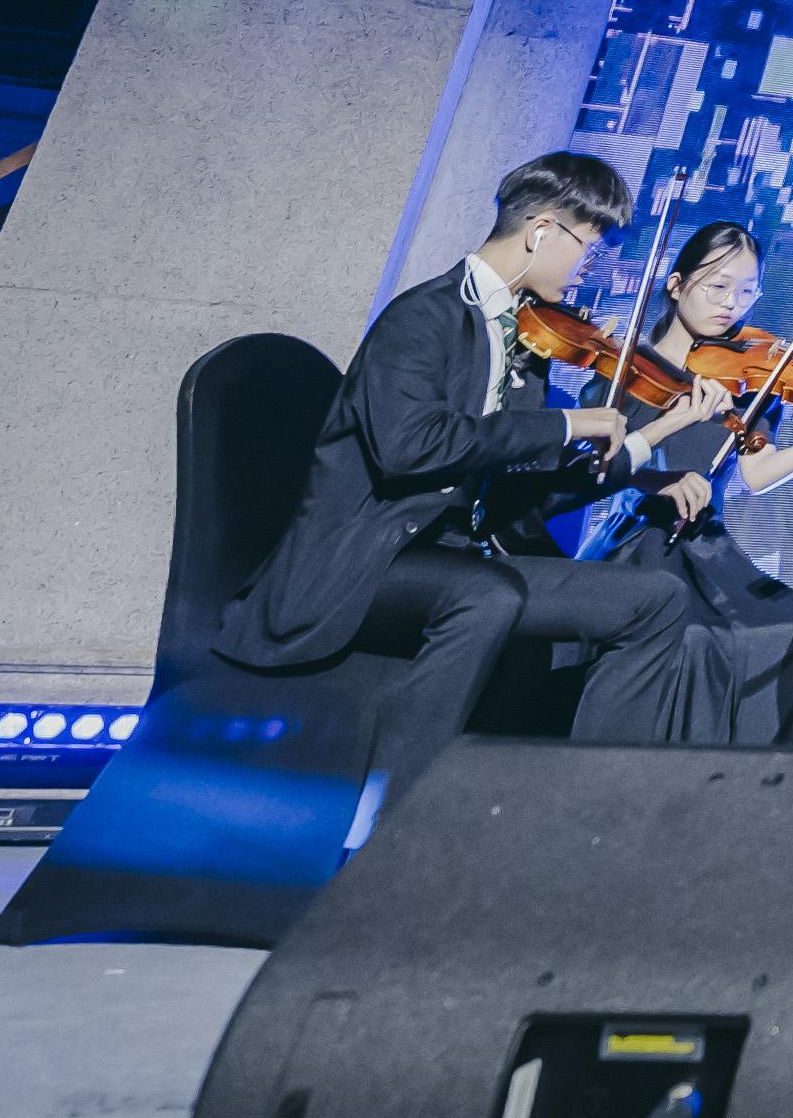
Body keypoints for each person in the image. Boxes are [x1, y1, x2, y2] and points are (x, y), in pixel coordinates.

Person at [211, 151, 710, 796]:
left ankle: (588, 799)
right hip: (369, 562)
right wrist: (564, 423)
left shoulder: (529, 338)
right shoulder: (422, 317)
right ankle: (392, 806)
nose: (589, 267)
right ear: (541, 231)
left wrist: (643, 444)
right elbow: (409, 447)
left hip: (464, 556)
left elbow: (523, 495)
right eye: (588, 247)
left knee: (655, 600)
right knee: (486, 594)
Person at [569, 221, 793, 748]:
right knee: (695, 640)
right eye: (718, 286)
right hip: (638, 542)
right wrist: (656, 478)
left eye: (747, 291)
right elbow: (594, 468)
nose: (732, 304)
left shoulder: (751, 378)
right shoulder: (625, 365)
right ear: (676, 284)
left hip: (709, 548)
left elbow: (757, 473)